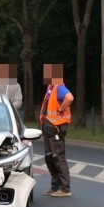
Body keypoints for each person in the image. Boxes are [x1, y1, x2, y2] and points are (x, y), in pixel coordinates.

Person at [39, 63, 74, 197]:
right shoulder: (51, 87)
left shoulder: (59, 87)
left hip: (56, 127)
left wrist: (60, 109)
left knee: (58, 157)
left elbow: (70, 98)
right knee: (50, 157)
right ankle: (55, 186)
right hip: (49, 127)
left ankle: (65, 188)